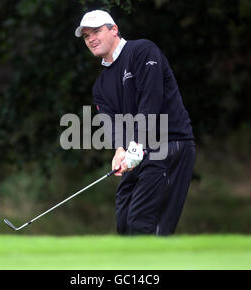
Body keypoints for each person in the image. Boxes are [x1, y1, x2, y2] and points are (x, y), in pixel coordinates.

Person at [75, 10, 196, 235]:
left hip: (169, 144)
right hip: (139, 151)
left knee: (143, 224)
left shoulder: (142, 50)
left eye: (97, 31)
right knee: (124, 221)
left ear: (114, 30)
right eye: (86, 36)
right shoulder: (100, 86)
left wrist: (137, 143)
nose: (91, 38)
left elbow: (151, 98)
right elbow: (112, 125)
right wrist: (120, 150)